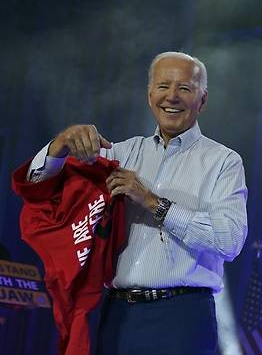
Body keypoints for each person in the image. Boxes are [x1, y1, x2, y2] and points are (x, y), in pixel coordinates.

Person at [27, 51, 248, 354]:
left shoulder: (223, 162)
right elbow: (38, 187)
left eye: (184, 88)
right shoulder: (120, 154)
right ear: (149, 95)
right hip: (119, 316)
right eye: (163, 86)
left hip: (182, 317)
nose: (172, 96)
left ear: (203, 100)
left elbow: (229, 240)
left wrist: (152, 201)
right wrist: (60, 145)